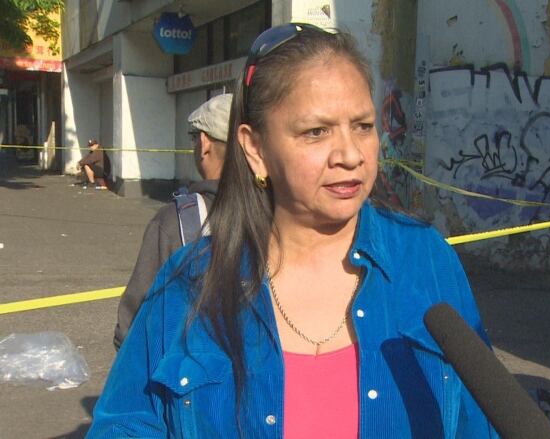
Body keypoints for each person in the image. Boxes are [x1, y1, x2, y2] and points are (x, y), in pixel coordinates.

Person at [87, 23, 496, 438]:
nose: (350, 155)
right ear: (255, 148)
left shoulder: (425, 258)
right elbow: (123, 425)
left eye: (363, 126)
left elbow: (478, 420)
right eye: (316, 132)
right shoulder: (190, 284)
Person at [112, 93, 233, 349]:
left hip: (193, 376)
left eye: (193, 138)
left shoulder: (177, 221)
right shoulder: (285, 212)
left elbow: (134, 321)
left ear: (204, 142)